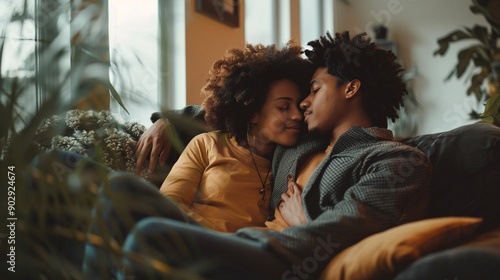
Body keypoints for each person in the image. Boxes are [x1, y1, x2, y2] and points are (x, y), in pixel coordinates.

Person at [122, 31, 432, 280]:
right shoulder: (300, 142)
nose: (304, 105)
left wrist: (304, 221)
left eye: (315, 89)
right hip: (247, 246)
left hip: (280, 260)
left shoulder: (398, 160)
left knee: (150, 235)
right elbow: (242, 111)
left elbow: (349, 227)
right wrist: (169, 119)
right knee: (112, 189)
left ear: (350, 89)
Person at [81, 43, 314, 278]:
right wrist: (167, 120)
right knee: (118, 186)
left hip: (236, 250)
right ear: (252, 112)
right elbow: (172, 200)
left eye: (298, 106)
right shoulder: (208, 143)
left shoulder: (292, 161)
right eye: (283, 107)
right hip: (183, 232)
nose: (297, 115)